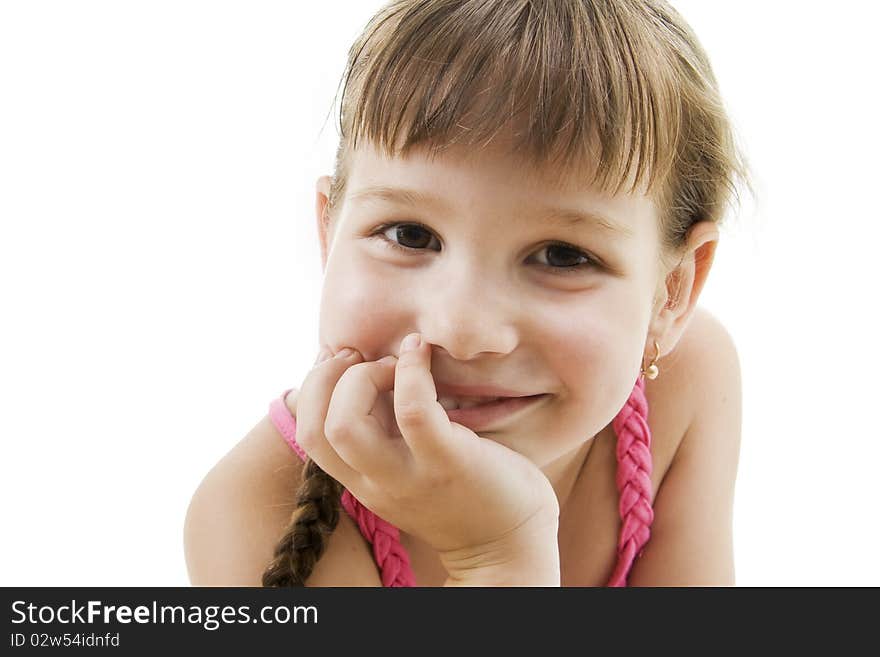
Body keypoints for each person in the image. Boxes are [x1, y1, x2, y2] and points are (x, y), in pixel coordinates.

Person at [184, 0, 749, 587]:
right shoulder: (251, 510)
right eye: (410, 235)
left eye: (563, 256)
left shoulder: (688, 382)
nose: (463, 329)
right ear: (329, 235)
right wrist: (500, 557)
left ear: (672, 295)